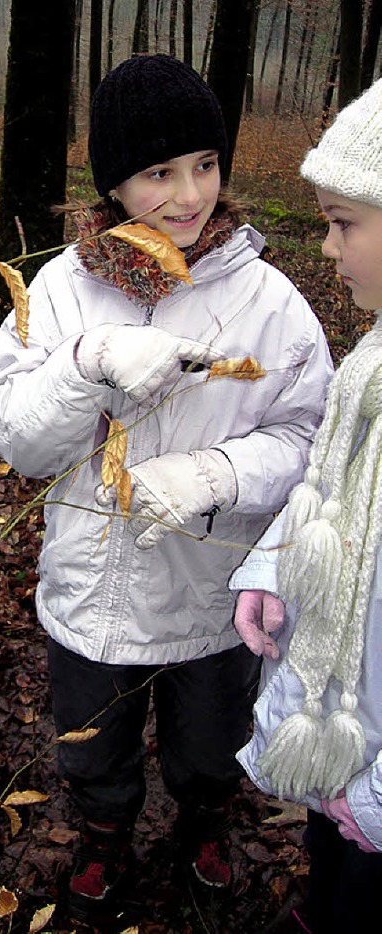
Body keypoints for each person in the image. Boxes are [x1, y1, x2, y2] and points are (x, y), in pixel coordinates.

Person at [0, 53, 333, 925]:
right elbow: (18, 441)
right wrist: (87, 365)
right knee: (93, 744)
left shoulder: (270, 302)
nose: (189, 194)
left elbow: (309, 437)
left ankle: (205, 822)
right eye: (158, 173)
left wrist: (214, 474)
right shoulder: (61, 290)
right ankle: (103, 834)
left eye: (205, 165)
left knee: (207, 740)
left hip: (212, 601)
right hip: (88, 592)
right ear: (111, 183)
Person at [232, 79, 382, 933]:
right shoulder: (372, 368)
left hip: (375, 788)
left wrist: (377, 801)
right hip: (346, 745)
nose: (325, 247)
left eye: (343, 223)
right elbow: (327, 493)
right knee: (331, 880)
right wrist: (272, 571)